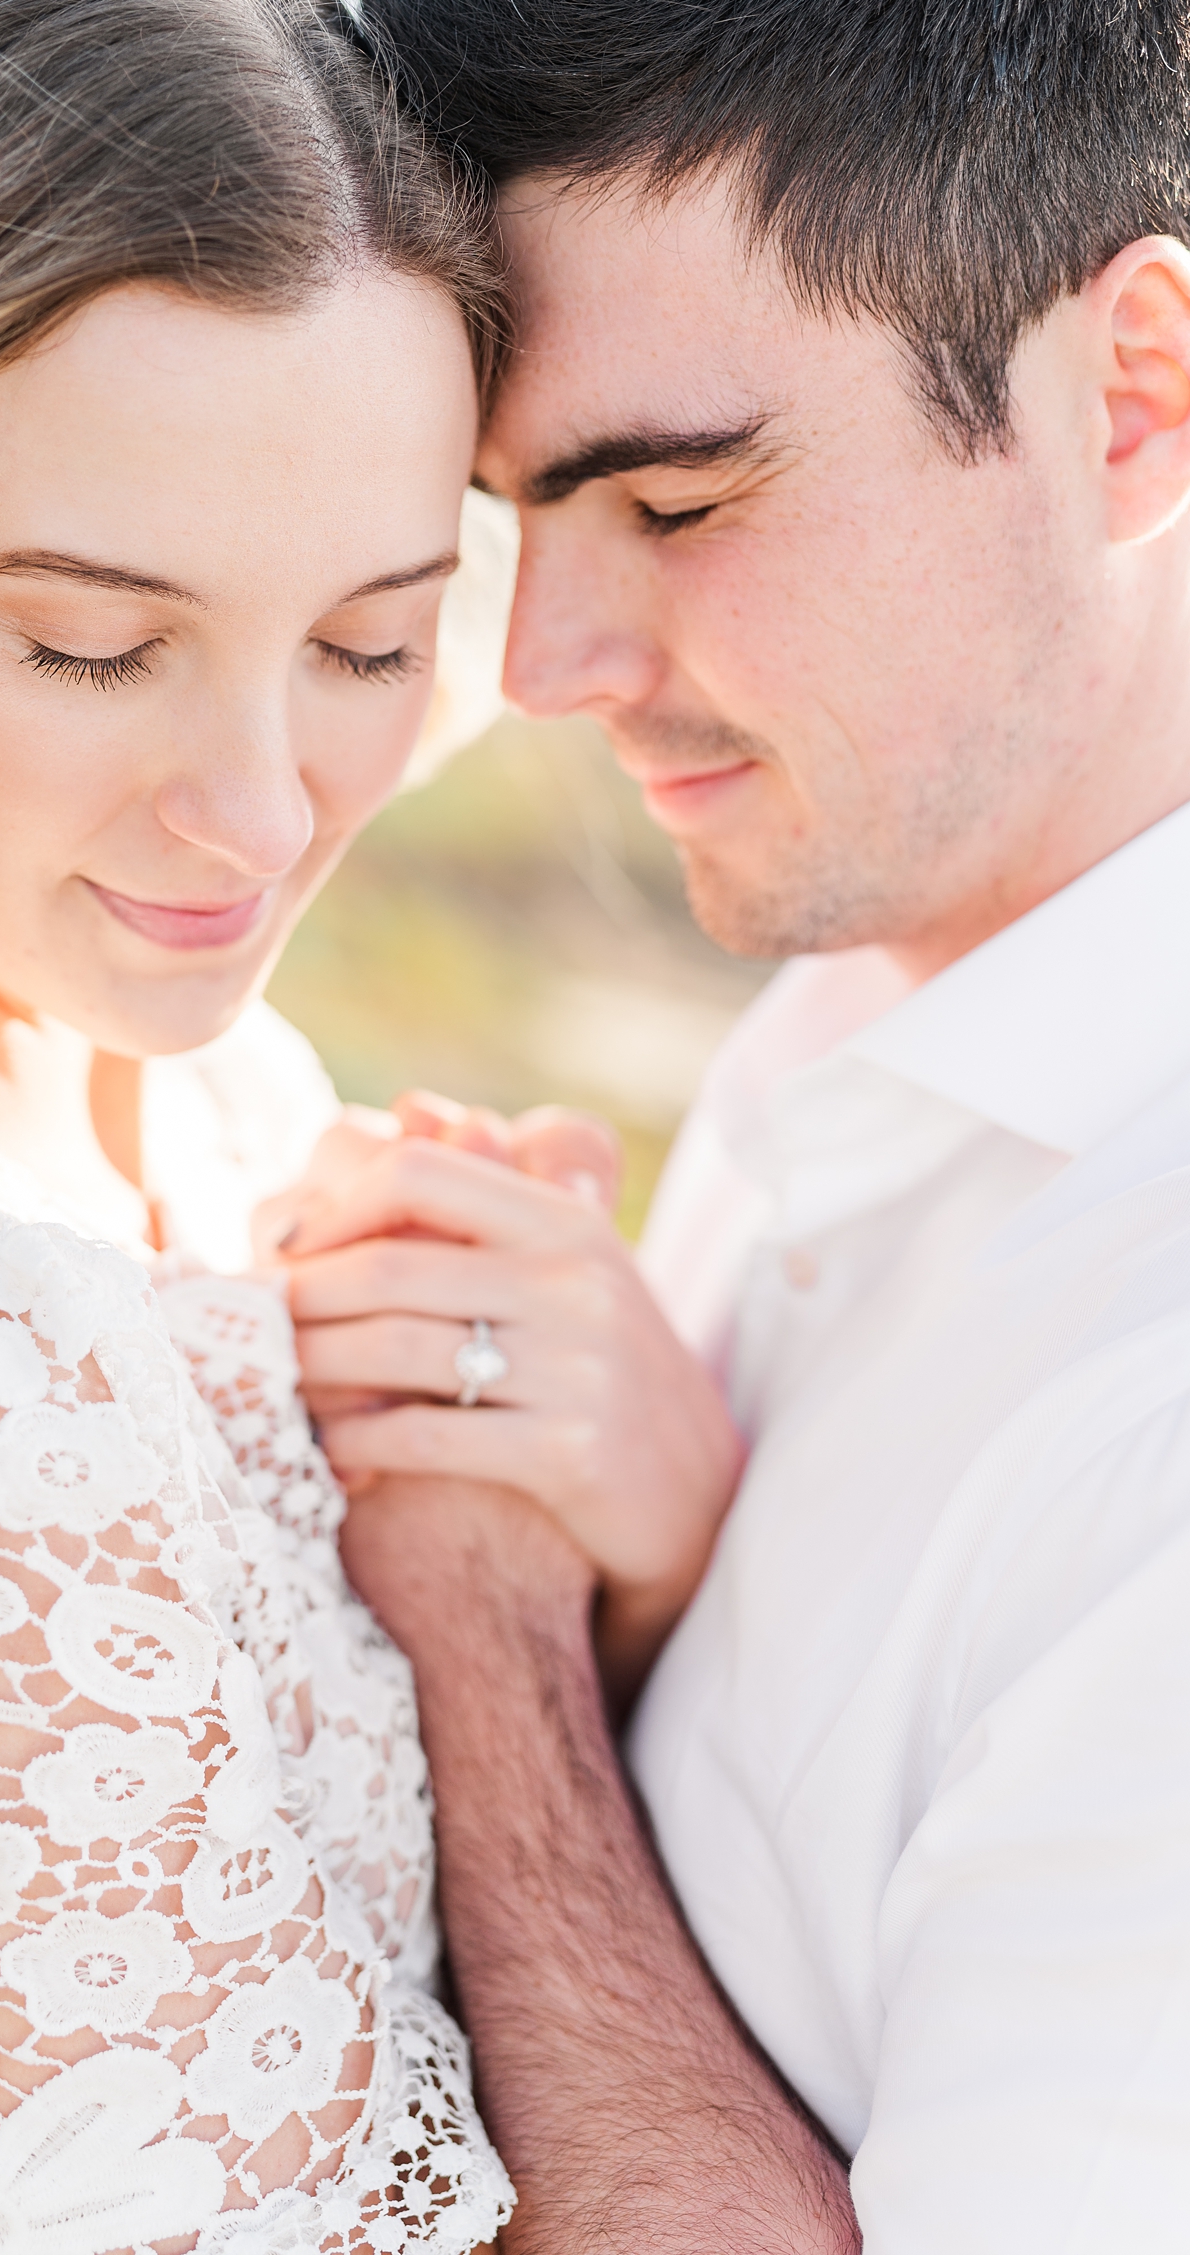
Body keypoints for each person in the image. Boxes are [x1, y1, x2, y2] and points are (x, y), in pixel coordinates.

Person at [272, 3, 1190, 2249]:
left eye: (676, 498)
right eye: (516, 524)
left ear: (1130, 395)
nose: (544, 664)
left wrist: (497, 1642)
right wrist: (657, 1584)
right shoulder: (865, 986)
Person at [0, 2, 520, 2247]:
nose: (261, 815)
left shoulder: (219, 1103)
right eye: (88, 646)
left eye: (368, 646)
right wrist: (520, 1606)